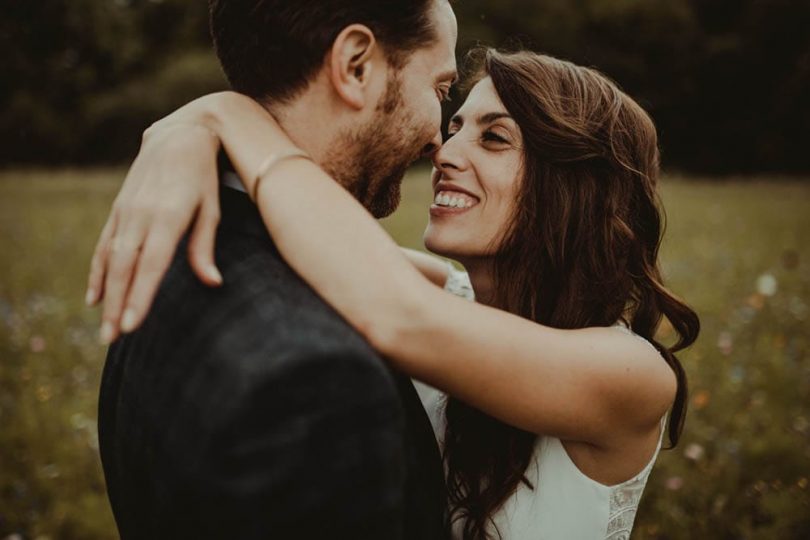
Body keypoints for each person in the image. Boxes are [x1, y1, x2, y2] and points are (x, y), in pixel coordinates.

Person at [88, 50, 701, 540]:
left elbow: (396, 315)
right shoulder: (454, 296)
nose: (444, 150)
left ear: (574, 186)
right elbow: (319, 244)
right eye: (454, 124)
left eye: (494, 139)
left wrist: (228, 115)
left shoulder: (632, 375)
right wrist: (184, 126)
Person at [90, 0, 459, 538]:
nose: (438, 138)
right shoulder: (321, 384)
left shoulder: (173, 246)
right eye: (442, 90)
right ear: (356, 66)